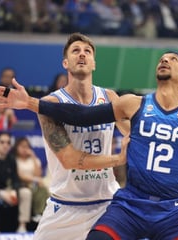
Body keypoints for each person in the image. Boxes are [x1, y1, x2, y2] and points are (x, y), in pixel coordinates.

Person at [0, 51, 178, 239]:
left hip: (173, 210)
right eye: (162, 58)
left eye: (173, 59)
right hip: (129, 205)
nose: (164, 60)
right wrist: (30, 103)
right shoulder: (133, 103)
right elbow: (81, 115)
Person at [15, 33, 129, 240]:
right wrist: (118, 159)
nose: (82, 55)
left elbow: (132, 131)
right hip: (65, 206)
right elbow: (69, 159)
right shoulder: (51, 103)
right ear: (65, 63)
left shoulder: (109, 97)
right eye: (76, 51)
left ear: (94, 63)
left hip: (107, 205)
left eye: (87, 52)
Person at [12, 137, 50, 222]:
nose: (24, 149)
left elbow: (38, 174)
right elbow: (19, 175)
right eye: (22, 146)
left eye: (27, 147)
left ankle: (39, 214)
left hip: (34, 186)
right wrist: (35, 180)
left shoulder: (34, 160)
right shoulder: (14, 160)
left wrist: (33, 156)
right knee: (33, 189)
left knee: (43, 189)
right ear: (16, 147)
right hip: (20, 185)